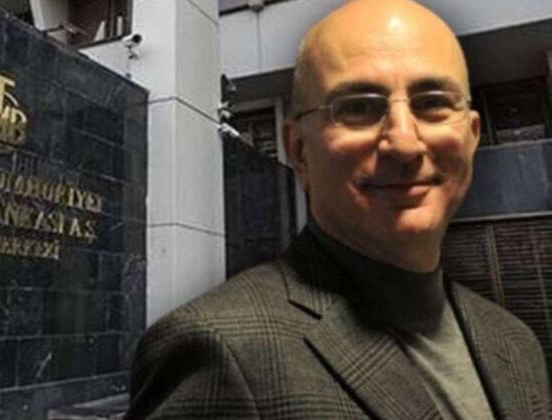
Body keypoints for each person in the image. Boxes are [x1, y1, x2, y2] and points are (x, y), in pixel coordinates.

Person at [125, 0, 551, 418]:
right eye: (359, 107)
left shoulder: (515, 342)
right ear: (300, 151)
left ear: (471, 136)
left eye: (433, 103)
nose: (404, 143)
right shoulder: (216, 349)